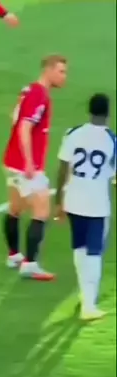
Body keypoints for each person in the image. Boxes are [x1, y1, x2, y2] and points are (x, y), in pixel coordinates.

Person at [2, 54, 68, 280]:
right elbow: (24, 127)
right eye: (61, 71)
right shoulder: (39, 95)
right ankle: (30, 264)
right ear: (48, 70)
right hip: (25, 165)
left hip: (11, 160)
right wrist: (29, 161)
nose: (64, 77)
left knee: (15, 208)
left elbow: (14, 117)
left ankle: (13, 255)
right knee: (42, 211)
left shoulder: (28, 90)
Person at [54, 93, 116, 320]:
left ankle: (84, 294)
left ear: (89, 111)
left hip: (74, 200)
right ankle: (89, 305)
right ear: (108, 113)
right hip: (97, 204)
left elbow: (63, 168)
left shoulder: (73, 133)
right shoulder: (111, 140)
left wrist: (58, 201)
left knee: (79, 247)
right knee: (94, 251)